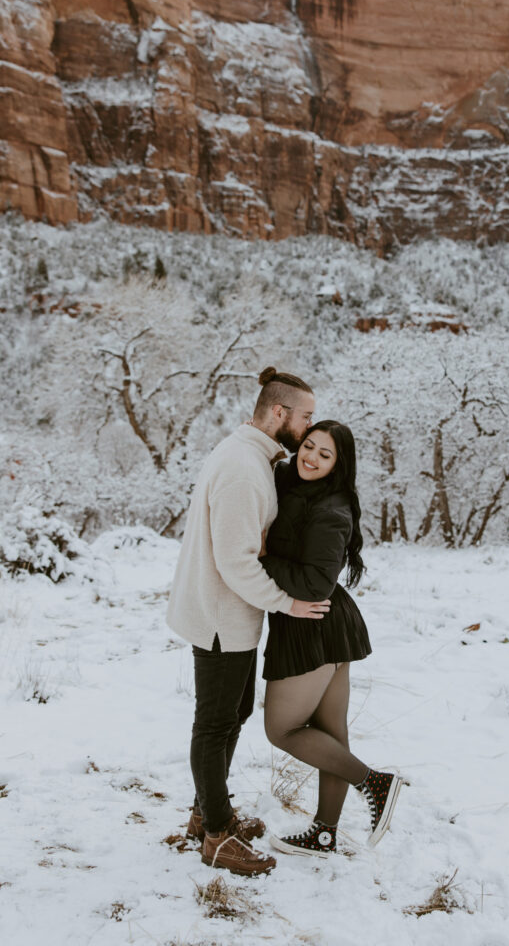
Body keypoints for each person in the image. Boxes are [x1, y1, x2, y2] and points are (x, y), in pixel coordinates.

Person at [166, 368, 331, 877]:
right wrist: (287, 602)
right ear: (278, 413)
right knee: (215, 724)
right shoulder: (243, 468)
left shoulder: (250, 457)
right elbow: (237, 562)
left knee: (230, 716)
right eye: (304, 416)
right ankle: (216, 836)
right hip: (221, 616)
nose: (308, 427)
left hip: (226, 614)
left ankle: (206, 813)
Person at [260, 420, 405, 857]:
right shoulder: (293, 481)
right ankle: (324, 834)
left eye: (326, 455)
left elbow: (315, 584)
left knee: (281, 729)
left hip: (313, 623)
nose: (312, 458)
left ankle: (375, 783)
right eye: (309, 446)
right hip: (325, 625)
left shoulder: (331, 509)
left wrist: (264, 556)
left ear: (339, 466)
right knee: (330, 736)